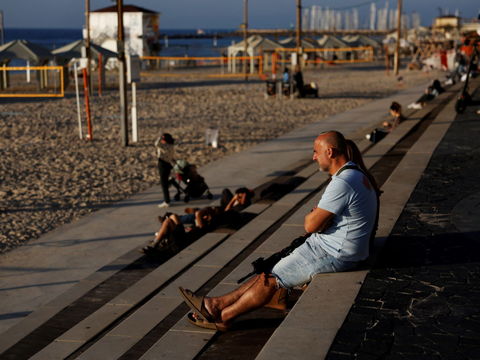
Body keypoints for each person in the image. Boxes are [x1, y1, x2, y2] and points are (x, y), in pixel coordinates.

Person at [178, 131, 378, 331]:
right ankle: (216, 304)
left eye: (316, 152)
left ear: (330, 151)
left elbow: (310, 224)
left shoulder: (342, 182)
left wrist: (315, 216)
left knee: (272, 278)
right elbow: (319, 220)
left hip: (337, 253)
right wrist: (317, 217)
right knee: (268, 269)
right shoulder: (354, 173)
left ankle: (224, 317)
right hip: (337, 246)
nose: (314, 157)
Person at [155, 133, 176, 208]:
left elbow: (156, 144)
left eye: (163, 139)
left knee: (164, 184)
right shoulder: (171, 146)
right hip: (168, 164)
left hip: (163, 165)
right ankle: (172, 182)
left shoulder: (165, 146)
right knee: (165, 182)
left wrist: (159, 138)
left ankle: (167, 201)